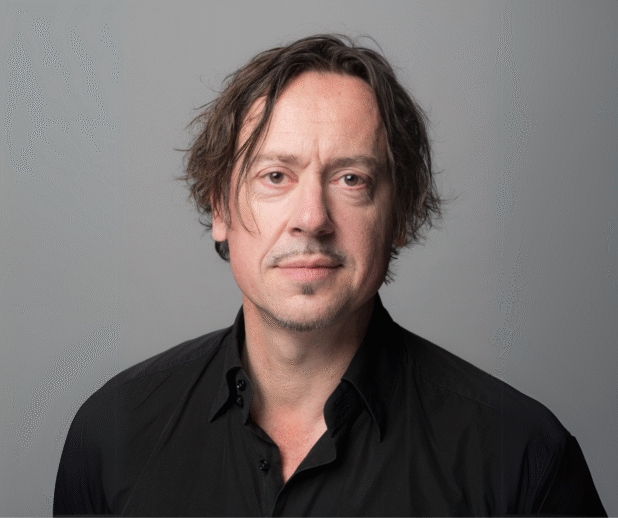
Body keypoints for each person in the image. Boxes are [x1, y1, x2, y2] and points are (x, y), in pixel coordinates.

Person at [53, 34, 606, 516]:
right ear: (219, 209)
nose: (312, 218)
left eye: (351, 179)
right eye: (275, 175)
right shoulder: (112, 435)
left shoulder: (522, 459)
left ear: (399, 216)